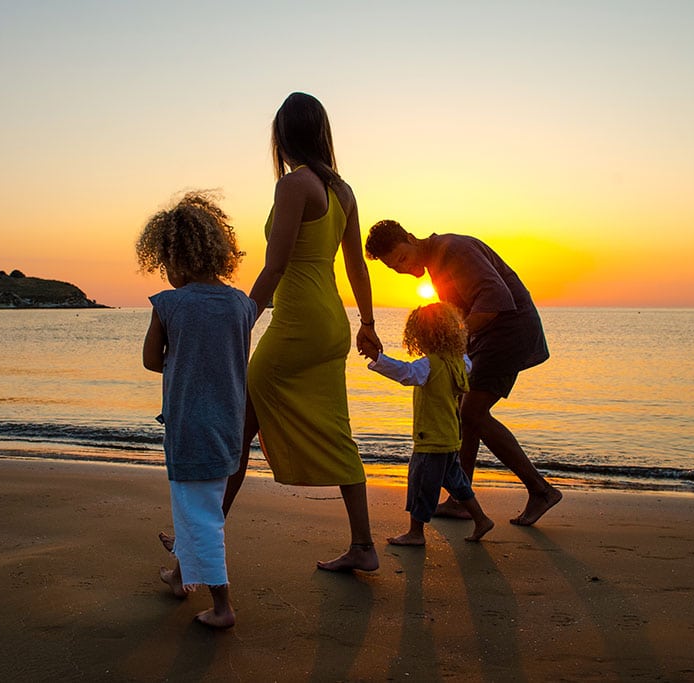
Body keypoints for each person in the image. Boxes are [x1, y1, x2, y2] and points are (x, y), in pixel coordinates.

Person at [225, 91, 384, 572]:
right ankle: (363, 545)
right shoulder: (344, 190)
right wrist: (368, 324)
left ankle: (197, 542)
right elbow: (356, 266)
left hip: (298, 324)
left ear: (283, 136)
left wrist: (241, 320)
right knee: (337, 432)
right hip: (331, 323)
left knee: (239, 430)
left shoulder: (294, 186)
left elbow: (275, 267)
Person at [365, 220, 562, 526]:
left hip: (509, 330)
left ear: (410, 238)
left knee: (471, 412)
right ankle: (460, 499)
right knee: (464, 411)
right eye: (394, 268)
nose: (402, 269)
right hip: (487, 338)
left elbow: (494, 301)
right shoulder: (437, 263)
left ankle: (541, 490)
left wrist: (454, 341)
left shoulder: (454, 250)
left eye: (402, 258)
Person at [137, 191, 257, 628]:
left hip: (189, 426)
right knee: (196, 504)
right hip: (229, 424)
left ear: (174, 258)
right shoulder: (242, 304)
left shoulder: (169, 304)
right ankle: (178, 575)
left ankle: (223, 605)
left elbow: (152, 361)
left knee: (200, 514)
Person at [367, 302, 494, 545]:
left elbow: (405, 373)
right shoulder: (460, 362)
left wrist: (377, 359)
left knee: (420, 484)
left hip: (431, 438)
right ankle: (481, 519)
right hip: (451, 436)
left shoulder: (429, 365)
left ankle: (416, 533)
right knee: (457, 482)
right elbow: (467, 363)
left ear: (421, 336)